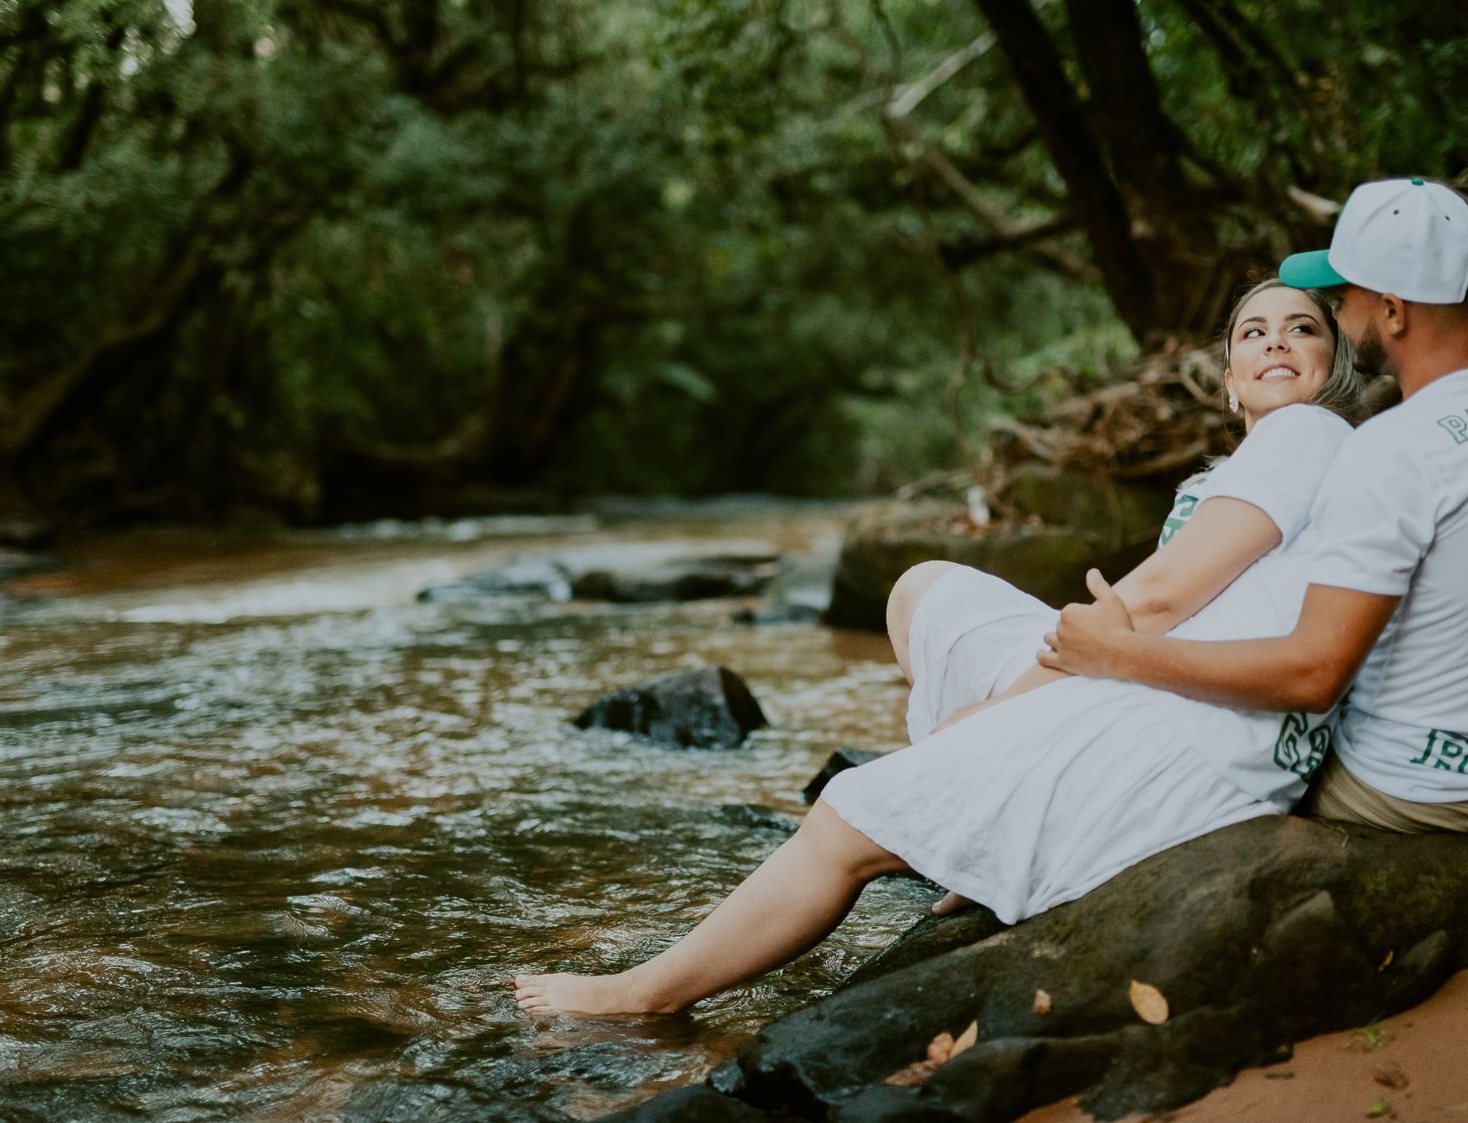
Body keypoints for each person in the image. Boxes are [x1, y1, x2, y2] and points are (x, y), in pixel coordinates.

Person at [514, 279, 1361, 1018]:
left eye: (1303, 328)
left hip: (1173, 726)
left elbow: (1159, 598)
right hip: (1148, 685)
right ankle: (969, 833)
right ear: (1227, 384)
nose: (1277, 340)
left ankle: (644, 994)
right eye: (1255, 331)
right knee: (925, 591)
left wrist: (997, 709)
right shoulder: (1234, 474)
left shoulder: (1308, 436)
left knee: (845, 813)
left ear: (1337, 368)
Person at [1041, 178, 1468, 835]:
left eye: (1344, 298)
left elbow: (1312, 675)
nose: (1339, 314)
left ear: (1393, 312)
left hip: (1424, 790)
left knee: (1178, 743)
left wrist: (1118, 652)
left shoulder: (1394, 447)